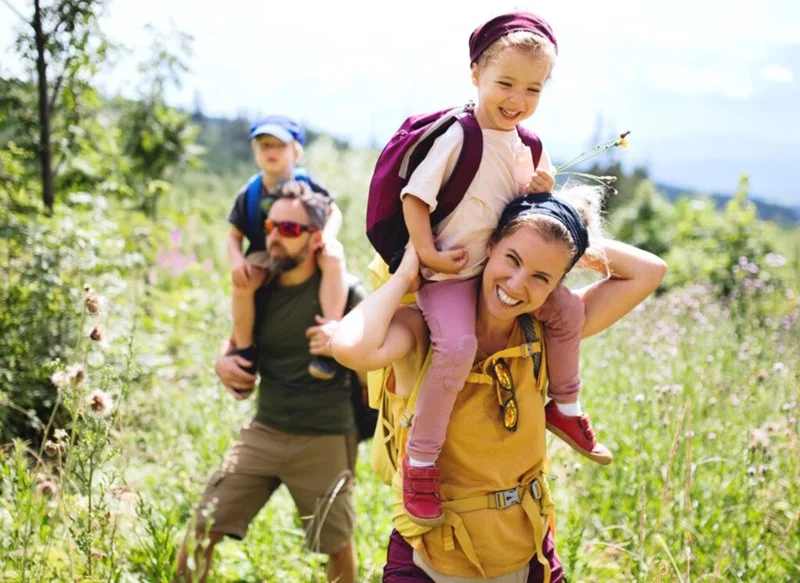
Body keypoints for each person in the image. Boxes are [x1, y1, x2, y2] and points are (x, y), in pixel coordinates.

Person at [332, 186, 667, 582]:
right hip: (428, 560)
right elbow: (349, 346)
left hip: (528, 558)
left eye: (542, 276)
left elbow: (650, 271)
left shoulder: (546, 332)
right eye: (512, 258)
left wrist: (565, 231)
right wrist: (406, 273)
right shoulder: (424, 330)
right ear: (488, 245)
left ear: (556, 284)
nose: (517, 284)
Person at [387, 10, 608, 527]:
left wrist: (541, 186)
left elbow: (540, 194)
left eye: (532, 89)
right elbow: (414, 198)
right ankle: (420, 462)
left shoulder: (527, 142)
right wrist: (429, 255)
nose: (517, 99)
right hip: (450, 275)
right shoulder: (459, 136)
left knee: (568, 312)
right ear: (475, 75)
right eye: (504, 83)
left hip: (500, 274)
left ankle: (565, 406)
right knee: (457, 346)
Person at [176, 183, 360, 583]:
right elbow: (239, 339)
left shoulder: (345, 291)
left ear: (315, 238)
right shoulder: (259, 286)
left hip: (324, 436)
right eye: (271, 225)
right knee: (200, 531)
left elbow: (374, 363)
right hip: (265, 430)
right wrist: (223, 361)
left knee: (337, 545)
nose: (275, 235)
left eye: (289, 229)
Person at [227, 114, 347, 382]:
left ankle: (327, 338)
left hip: (306, 247)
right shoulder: (250, 193)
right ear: (255, 151)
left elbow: (333, 212)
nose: (271, 152)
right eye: (264, 145)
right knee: (243, 283)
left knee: (334, 257)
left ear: (296, 151)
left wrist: (327, 236)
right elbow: (234, 235)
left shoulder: (309, 184)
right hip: (264, 252)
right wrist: (237, 261)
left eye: (279, 145)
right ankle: (245, 351)